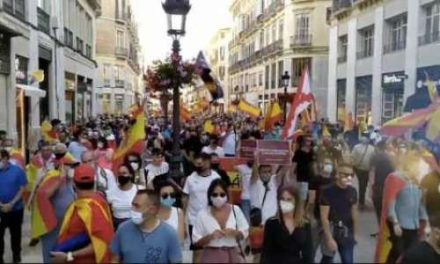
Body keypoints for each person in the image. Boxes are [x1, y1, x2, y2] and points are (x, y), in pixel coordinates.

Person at [50, 164, 114, 263]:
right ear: (94, 183)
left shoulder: (92, 208)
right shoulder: (97, 201)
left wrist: (68, 256)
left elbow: (101, 243)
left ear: (74, 185)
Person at [111, 189, 182, 263]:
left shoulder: (170, 234)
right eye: (132, 204)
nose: (132, 209)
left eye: (137, 206)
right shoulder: (123, 229)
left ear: (152, 210)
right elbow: (115, 258)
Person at [384, 151, 428, 264]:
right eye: (418, 165)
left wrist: (425, 221)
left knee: (411, 252)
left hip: (414, 224)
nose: (420, 168)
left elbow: (420, 204)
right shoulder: (396, 177)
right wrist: (395, 223)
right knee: (397, 250)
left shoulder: (417, 181)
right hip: (399, 222)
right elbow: (391, 202)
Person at [193, 179, 248, 263]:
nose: (218, 197)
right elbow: (196, 242)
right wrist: (210, 237)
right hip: (211, 255)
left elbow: (245, 232)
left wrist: (234, 233)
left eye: (222, 194)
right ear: (210, 196)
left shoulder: (235, 210)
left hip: (233, 254)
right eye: (215, 195)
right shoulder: (202, 214)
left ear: (226, 195)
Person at [182, 153, 220, 260]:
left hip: (212, 219)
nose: (200, 165)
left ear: (208, 162)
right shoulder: (190, 178)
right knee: (197, 249)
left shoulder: (216, 177)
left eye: (202, 162)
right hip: (194, 220)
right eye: (197, 163)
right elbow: (185, 197)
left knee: (212, 249)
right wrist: (183, 217)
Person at [261, 185, 313, 263]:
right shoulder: (271, 223)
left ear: (296, 201)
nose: (285, 202)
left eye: (289, 199)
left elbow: (308, 253)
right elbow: (266, 253)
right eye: (283, 199)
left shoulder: (305, 224)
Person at [320, 162, 359, 264]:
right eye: (345, 174)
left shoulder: (353, 191)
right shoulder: (326, 191)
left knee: (348, 260)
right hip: (332, 229)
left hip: (347, 232)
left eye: (351, 175)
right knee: (327, 259)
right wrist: (329, 238)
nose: (348, 177)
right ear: (337, 174)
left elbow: (354, 213)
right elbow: (324, 217)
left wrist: (354, 234)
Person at [0, 150, 27, 263]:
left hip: (16, 209)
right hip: (0, 209)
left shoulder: (17, 170)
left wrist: (11, 204)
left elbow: (22, 188)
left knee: (15, 234)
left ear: (5, 158)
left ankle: (16, 255)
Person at [307, 157, 336, 257]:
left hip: (331, 219)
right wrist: (311, 216)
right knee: (311, 248)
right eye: (326, 163)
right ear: (321, 165)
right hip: (316, 216)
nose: (329, 166)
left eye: (330, 164)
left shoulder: (334, 180)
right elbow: (311, 200)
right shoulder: (315, 180)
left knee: (328, 251)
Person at [369, 140, 395, 224]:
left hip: (378, 187)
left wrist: (371, 188)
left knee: (379, 209)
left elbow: (372, 172)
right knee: (388, 209)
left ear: (378, 147)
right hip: (390, 186)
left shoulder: (375, 157)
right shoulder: (392, 157)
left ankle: (381, 227)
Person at [106, 163, 138, 230]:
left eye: (124, 173)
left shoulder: (139, 190)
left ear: (131, 175)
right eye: (119, 173)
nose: (121, 175)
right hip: (118, 226)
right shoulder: (111, 192)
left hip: (135, 225)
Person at [351, 133, 375, 209]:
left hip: (366, 170)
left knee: (363, 185)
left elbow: (373, 159)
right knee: (359, 184)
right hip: (357, 169)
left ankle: (361, 201)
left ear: (368, 139)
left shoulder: (372, 148)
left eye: (365, 137)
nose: (364, 139)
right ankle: (358, 201)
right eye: (363, 137)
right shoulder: (356, 147)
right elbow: (352, 157)